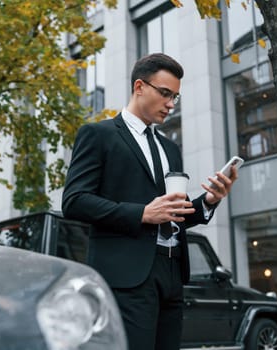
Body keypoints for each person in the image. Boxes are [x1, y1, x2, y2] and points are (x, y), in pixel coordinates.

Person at [62, 53, 238, 350]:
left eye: (175, 97)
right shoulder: (98, 135)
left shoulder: (171, 148)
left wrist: (208, 201)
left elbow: (171, 214)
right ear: (140, 86)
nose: (171, 104)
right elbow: (75, 201)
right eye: (165, 94)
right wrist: (142, 213)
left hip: (172, 274)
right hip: (127, 276)